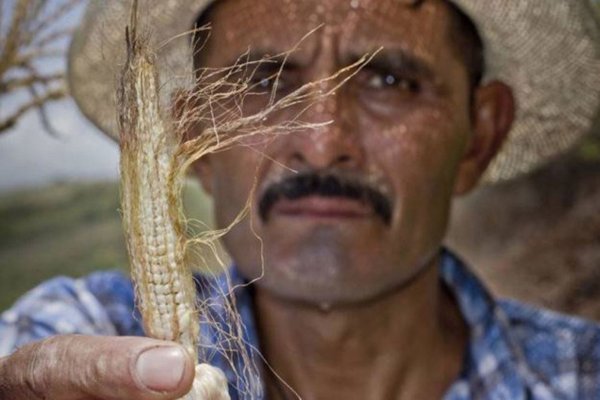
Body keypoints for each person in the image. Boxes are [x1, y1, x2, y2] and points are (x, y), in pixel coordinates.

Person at [1, 0, 599, 399]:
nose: (320, 144)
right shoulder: (93, 330)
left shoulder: (580, 376)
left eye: (388, 80)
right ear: (194, 143)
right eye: (264, 80)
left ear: (479, 136)